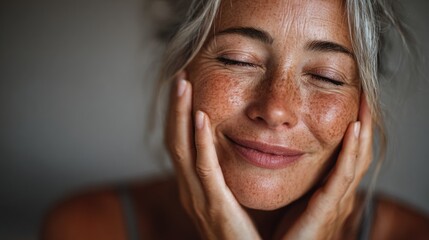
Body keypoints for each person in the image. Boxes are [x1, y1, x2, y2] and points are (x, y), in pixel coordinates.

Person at [42, 0, 429, 239]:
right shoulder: (88, 228)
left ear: (364, 104)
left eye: (326, 76)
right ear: (183, 68)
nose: (277, 108)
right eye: (238, 60)